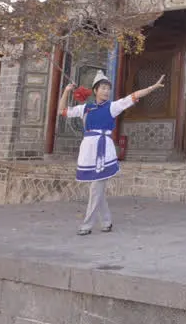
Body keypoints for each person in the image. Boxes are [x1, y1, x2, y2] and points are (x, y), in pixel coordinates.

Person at [59, 70, 165, 235]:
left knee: (95, 189)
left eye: (108, 88)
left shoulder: (113, 107)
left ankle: (87, 224)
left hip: (104, 151)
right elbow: (62, 111)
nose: (106, 91)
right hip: (88, 150)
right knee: (97, 189)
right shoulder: (85, 109)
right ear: (95, 90)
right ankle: (107, 221)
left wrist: (153, 87)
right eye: (103, 88)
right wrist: (66, 91)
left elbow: (134, 95)